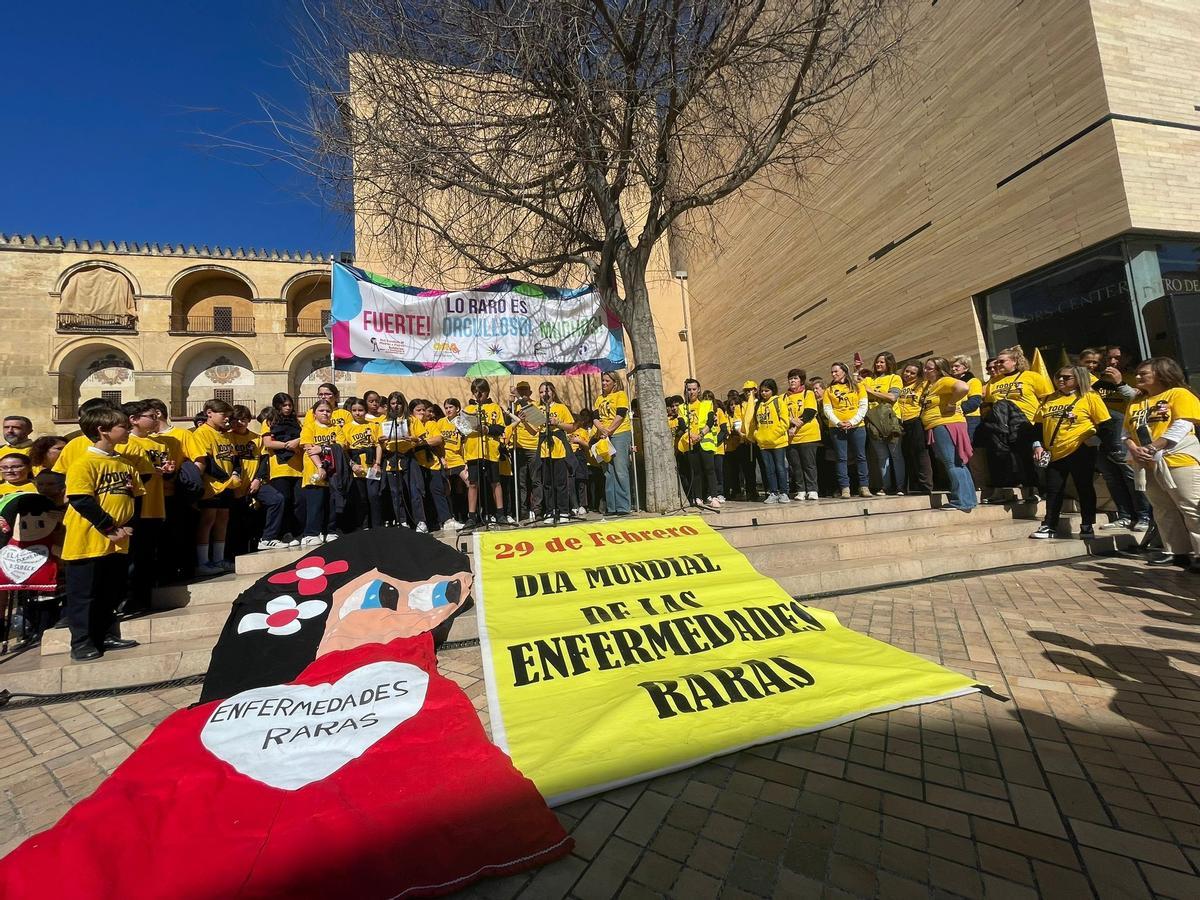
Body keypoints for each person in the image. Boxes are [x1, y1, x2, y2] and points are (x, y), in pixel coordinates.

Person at [61, 405, 143, 661]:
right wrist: (110, 528)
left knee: (111, 591)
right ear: (103, 430)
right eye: (123, 427)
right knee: (85, 594)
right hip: (88, 539)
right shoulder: (84, 463)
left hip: (118, 541)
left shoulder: (125, 463)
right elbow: (80, 500)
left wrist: (130, 525)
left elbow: (135, 498)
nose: (128, 430)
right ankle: (82, 642)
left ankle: (106, 633)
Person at [1123, 357, 1200, 571]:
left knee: (1191, 507)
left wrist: (1153, 447)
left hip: (1177, 460)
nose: (1137, 377)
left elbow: (1182, 425)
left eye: (1143, 373)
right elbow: (1126, 432)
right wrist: (1134, 448)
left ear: (1162, 374)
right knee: (1163, 508)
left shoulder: (1179, 394)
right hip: (1146, 463)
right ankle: (1176, 551)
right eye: (1137, 373)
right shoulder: (1137, 400)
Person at [1028, 366, 1109, 539]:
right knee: (1053, 489)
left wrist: (1094, 439)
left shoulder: (1089, 397)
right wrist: (1037, 445)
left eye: (1066, 377)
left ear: (1079, 379)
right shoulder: (1048, 399)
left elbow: (1105, 423)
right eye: (1058, 377)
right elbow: (1038, 426)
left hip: (1080, 450)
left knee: (1084, 487)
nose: (1061, 380)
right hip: (1054, 451)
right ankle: (1049, 525)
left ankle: (1087, 524)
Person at [1079, 346, 1152, 532]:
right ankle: (1125, 516)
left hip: (1124, 431)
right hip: (1101, 433)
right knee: (1111, 476)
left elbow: (1139, 401)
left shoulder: (1134, 378)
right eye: (1109, 359)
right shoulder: (1098, 380)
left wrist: (1119, 382)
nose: (1112, 362)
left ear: (1128, 357)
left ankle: (1144, 516)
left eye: (1117, 358)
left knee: (1131, 475)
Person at [116, 400, 173, 615]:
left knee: (147, 556)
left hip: (156, 505)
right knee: (132, 559)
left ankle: (142, 599)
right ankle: (128, 600)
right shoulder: (124, 444)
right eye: (150, 415)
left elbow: (163, 473)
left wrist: (167, 471)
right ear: (134, 419)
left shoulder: (159, 444)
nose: (156, 419)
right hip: (134, 509)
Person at [979, 346, 1053, 503]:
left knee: (1025, 456)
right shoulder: (994, 382)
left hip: (1026, 423)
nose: (997, 365)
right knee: (999, 454)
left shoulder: (1031, 376)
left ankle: (1033, 490)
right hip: (1003, 425)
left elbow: (1047, 399)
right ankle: (1001, 490)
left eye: (1001, 361)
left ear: (1014, 361)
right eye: (996, 362)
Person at [187, 399, 240, 575]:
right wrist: (226, 477)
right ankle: (203, 562)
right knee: (208, 520)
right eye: (223, 415)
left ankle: (218, 559)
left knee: (223, 520)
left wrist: (235, 473)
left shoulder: (226, 434)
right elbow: (206, 461)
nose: (226, 419)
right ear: (209, 413)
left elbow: (234, 458)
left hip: (228, 485)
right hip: (211, 486)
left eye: (228, 416)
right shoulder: (201, 433)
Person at [919, 357, 976, 512]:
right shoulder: (932, 385)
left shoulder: (944, 381)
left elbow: (963, 387)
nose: (925, 371)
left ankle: (960, 501)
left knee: (952, 463)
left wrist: (951, 404)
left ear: (938, 370)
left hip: (945, 425)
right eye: (925, 367)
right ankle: (968, 499)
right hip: (941, 425)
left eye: (929, 368)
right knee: (958, 463)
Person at [462, 378, 512, 528]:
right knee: (473, 483)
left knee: (495, 482)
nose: (478, 395)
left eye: (481, 392)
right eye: (475, 392)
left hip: (490, 451)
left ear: (487, 392)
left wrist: (487, 429)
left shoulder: (494, 407)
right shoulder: (468, 409)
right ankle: (471, 516)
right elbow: (462, 428)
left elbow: (501, 428)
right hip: (473, 451)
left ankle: (500, 513)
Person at [257, 393, 305, 549]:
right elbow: (268, 443)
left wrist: (297, 442)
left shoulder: (296, 422)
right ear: (277, 406)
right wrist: (287, 445)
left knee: (298, 501)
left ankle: (298, 531)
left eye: (290, 405)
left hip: (298, 468)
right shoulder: (269, 421)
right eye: (284, 405)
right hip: (279, 468)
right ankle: (283, 533)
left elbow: (304, 438)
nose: (288, 408)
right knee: (284, 500)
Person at [820, 362, 869, 498]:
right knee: (841, 458)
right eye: (832, 372)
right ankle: (845, 488)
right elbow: (827, 409)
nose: (833, 374)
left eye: (836, 371)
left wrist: (853, 421)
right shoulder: (829, 390)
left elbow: (863, 406)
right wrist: (838, 422)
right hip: (837, 427)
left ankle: (864, 486)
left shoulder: (858, 387)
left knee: (861, 456)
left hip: (857, 426)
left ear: (844, 371)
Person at [860, 352, 904, 496]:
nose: (878, 365)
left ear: (889, 364)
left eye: (882, 362)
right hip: (873, 422)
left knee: (895, 454)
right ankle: (886, 486)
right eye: (877, 362)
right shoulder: (869, 379)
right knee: (882, 456)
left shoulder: (894, 378)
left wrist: (871, 392)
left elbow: (892, 396)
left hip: (890, 420)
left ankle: (900, 486)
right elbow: (858, 388)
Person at [299, 399, 342, 545]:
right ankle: (311, 533)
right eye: (321, 410)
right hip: (314, 471)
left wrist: (323, 448)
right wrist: (319, 466)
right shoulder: (309, 427)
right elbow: (309, 448)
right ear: (314, 413)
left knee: (331, 503)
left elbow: (341, 446)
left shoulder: (336, 428)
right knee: (315, 503)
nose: (325, 413)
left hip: (333, 472)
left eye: (328, 411)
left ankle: (330, 531)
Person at [593, 372, 633, 515]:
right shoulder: (599, 398)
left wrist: (609, 430)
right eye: (602, 381)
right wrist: (602, 430)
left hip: (619, 434)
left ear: (614, 382)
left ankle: (623, 507)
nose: (603, 383)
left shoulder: (620, 395)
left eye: (607, 381)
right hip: (604, 437)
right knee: (608, 472)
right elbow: (595, 417)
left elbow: (621, 414)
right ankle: (612, 507)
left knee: (620, 470)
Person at [341, 397, 383, 531]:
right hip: (357, 467)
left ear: (365, 410)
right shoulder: (346, 428)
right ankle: (363, 525)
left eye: (360, 410)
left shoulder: (373, 425)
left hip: (371, 466)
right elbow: (344, 450)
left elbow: (378, 445)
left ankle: (377, 525)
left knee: (374, 496)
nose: (358, 413)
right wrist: (352, 465)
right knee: (361, 498)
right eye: (354, 410)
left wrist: (377, 463)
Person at [679, 378, 720, 506]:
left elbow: (710, 421)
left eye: (694, 389)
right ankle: (698, 497)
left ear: (699, 390)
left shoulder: (707, 404)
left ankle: (714, 496)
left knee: (710, 469)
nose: (691, 392)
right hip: (691, 443)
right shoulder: (682, 407)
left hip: (705, 441)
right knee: (696, 472)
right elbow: (682, 424)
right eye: (689, 389)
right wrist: (692, 435)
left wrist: (701, 434)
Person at [750, 378, 790, 503]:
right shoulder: (758, 405)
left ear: (772, 391)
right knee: (769, 469)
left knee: (780, 468)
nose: (764, 393)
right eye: (762, 391)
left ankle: (784, 492)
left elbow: (785, 422)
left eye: (767, 391)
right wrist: (757, 435)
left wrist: (774, 435)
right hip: (763, 443)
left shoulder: (779, 401)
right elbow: (754, 424)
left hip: (778, 442)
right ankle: (773, 492)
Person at [783, 368, 820, 500]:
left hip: (808, 434)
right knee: (796, 465)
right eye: (791, 378)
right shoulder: (784, 397)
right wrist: (790, 421)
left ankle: (812, 489)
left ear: (801, 380)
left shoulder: (808, 393)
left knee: (809, 464)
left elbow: (810, 411)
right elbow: (782, 414)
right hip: (792, 437)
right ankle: (801, 490)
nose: (792, 381)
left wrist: (796, 424)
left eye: (795, 378)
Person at [896, 361, 932, 495]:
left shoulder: (922, 385)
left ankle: (926, 486)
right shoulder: (899, 385)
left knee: (920, 453)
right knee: (906, 454)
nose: (908, 375)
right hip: (901, 422)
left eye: (913, 373)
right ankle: (910, 486)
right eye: (907, 371)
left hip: (916, 421)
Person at [508, 381, 543, 521]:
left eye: (524, 390)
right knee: (520, 482)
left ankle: (537, 509)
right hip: (518, 446)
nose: (521, 392)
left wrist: (518, 397)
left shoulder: (534, 405)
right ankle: (522, 511)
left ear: (530, 392)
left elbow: (536, 421)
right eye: (519, 390)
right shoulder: (513, 406)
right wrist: (508, 404)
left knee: (536, 480)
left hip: (533, 446)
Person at [379, 391, 414, 527]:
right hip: (391, 459)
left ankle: (416, 520)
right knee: (395, 492)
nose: (396, 406)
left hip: (408, 457)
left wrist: (412, 438)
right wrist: (381, 441)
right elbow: (380, 444)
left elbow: (420, 437)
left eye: (399, 403)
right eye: (393, 403)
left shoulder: (411, 419)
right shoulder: (385, 421)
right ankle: (402, 520)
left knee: (413, 490)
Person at [950, 355, 985, 442]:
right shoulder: (951, 383)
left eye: (957, 366)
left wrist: (955, 409)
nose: (953, 369)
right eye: (952, 366)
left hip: (970, 419)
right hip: (954, 418)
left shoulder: (973, 381)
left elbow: (974, 402)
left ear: (966, 368)